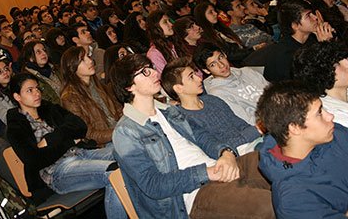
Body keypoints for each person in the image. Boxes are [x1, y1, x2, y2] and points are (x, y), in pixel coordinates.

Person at [110, 54, 273, 218]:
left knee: (279, 166)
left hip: (215, 167)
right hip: (192, 194)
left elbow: (203, 137)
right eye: (144, 72)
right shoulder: (126, 132)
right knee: (266, 205)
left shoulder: (169, 111)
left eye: (151, 67)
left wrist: (226, 153)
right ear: (128, 87)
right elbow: (153, 184)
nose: (154, 73)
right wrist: (206, 173)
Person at [256, 81, 348, 217]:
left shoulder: (335, 133)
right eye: (320, 112)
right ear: (295, 128)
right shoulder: (292, 199)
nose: (330, 116)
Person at [6, 73, 126, 218]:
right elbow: (35, 159)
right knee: (114, 172)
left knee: (128, 152)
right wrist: (68, 141)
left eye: (37, 88)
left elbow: (80, 126)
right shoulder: (16, 127)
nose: (37, 93)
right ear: (17, 96)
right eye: (29, 90)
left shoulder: (49, 108)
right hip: (58, 171)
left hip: (82, 153)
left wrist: (52, 139)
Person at [161, 58, 262, 155]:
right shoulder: (185, 119)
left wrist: (257, 131)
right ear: (179, 88)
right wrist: (258, 129)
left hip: (252, 144)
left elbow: (242, 125)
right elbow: (219, 149)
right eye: (191, 77)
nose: (199, 78)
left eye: (195, 74)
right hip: (235, 158)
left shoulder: (212, 99)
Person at [60, 46, 122, 146]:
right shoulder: (70, 97)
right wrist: (119, 132)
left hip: (118, 131)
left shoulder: (97, 83)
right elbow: (88, 133)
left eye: (88, 57)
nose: (90, 61)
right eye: (83, 60)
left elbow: (118, 109)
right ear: (72, 67)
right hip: (103, 143)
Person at [194, 42, 268, 125]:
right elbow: (248, 121)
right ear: (206, 70)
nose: (221, 65)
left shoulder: (247, 71)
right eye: (213, 64)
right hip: (265, 124)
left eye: (220, 57)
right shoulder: (217, 94)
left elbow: (273, 93)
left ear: (225, 55)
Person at [263, 0, 333, 82]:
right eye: (308, 15)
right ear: (295, 25)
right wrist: (325, 46)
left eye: (312, 13)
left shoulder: (311, 39)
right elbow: (316, 78)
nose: (315, 17)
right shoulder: (285, 54)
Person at [146, 10, 179, 74]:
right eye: (165, 22)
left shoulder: (173, 43)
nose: (171, 24)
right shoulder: (154, 54)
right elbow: (166, 78)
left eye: (169, 21)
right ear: (156, 28)